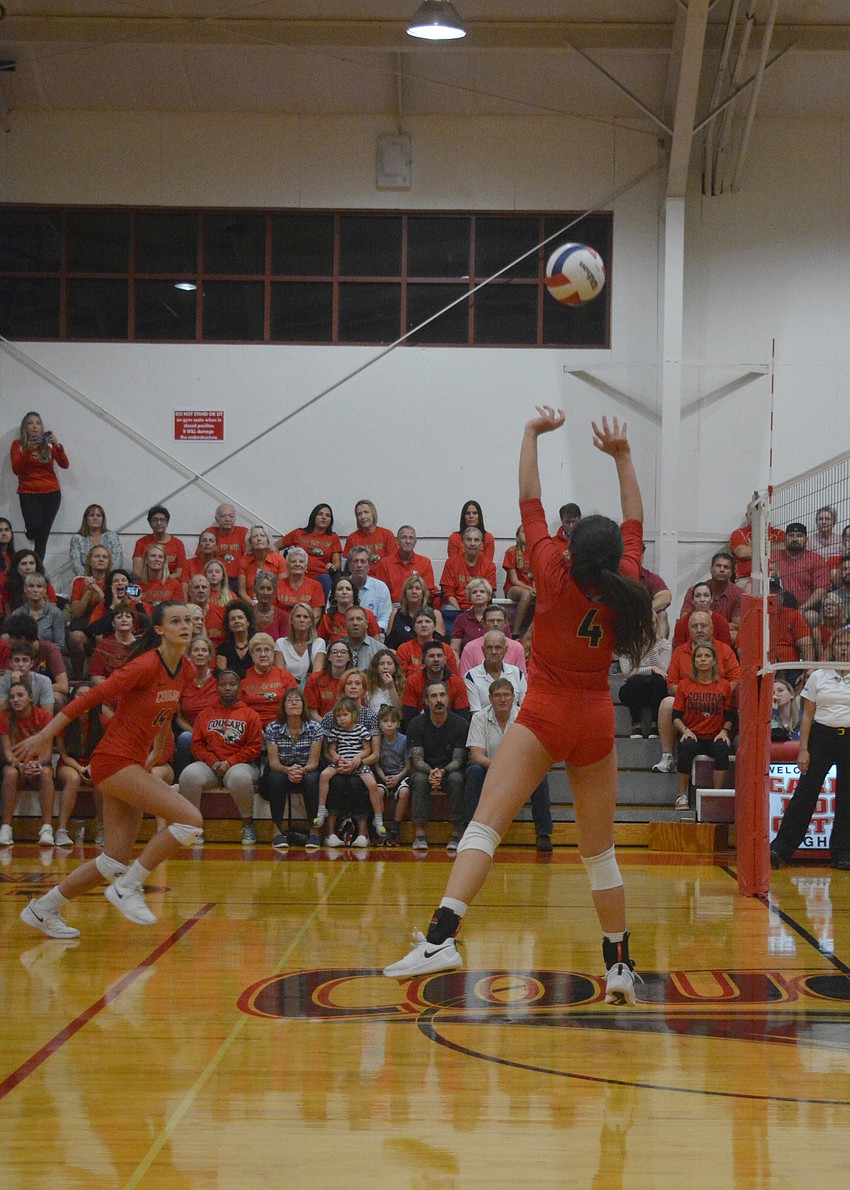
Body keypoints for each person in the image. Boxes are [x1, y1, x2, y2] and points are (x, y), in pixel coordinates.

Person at [384, 409, 654, 1011]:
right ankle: (618, 964)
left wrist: (531, 434)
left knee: (484, 827)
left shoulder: (552, 572)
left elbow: (529, 497)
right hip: (596, 720)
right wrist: (623, 456)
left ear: (570, 549)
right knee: (600, 854)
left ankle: (440, 940)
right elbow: (635, 518)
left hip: (547, 712)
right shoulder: (627, 578)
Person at [14, 602, 204, 938]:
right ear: (159, 629)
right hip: (114, 761)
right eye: (176, 621)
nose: (185, 626)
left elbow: (165, 711)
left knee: (114, 859)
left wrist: (156, 750)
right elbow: (88, 698)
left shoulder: (186, 669)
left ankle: (42, 909)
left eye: (188, 620)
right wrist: (44, 735)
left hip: (131, 762)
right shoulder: (145, 665)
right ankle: (128, 887)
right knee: (191, 820)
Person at [770, 628, 850, 871]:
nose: (844, 649)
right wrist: (803, 749)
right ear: (833, 647)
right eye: (841, 644)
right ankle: (781, 848)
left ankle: (842, 853)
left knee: (847, 798)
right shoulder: (818, 676)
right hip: (822, 737)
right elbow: (807, 716)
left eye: (849, 644)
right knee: (805, 794)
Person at [464, 676, 553, 853]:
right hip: (489, 769)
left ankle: (543, 834)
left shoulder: (525, 717)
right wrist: (499, 767)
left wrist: (511, 768)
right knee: (473, 771)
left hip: (519, 770)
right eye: (498, 695)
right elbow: (477, 756)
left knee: (540, 776)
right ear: (490, 699)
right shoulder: (480, 718)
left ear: (513, 697)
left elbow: (533, 754)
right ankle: (469, 831)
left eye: (506, 695)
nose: (503, 699)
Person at [179, 668, 263, 846]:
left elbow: (254, 748)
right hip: (211, 765)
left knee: (240, 778)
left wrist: (229, 762)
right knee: (188, 775)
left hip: (241, 764)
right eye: (223, 684)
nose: (228, 688)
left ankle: (248, 824)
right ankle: (194, 826)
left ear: (239, 687)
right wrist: (213, 762)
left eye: (232, 684)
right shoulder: (205, 714)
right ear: (217, 688)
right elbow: (196, 745)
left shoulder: (251, 715)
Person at [652, 611, 740, 774]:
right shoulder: (679, 652)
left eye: (704, 626)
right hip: (688, 703)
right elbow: (671, 685)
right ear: (689, 630)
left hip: (719, 703)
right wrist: (695, 694)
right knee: (666, 703)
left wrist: (713, 694)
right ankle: (667, 757)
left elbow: (735, 680)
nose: (699, 630)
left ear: (712, 629)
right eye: (694, 626)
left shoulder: (726, 650)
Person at [404, 679, 469, 853]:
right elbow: (417, 760)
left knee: (457, 779)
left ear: (448, 698)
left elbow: (459, 760)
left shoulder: (461, 724)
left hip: (450, 770)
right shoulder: (416, 724)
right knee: (419, 779)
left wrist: (443, 771)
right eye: (433, 696)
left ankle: (457, 833)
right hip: (425, 770)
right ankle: (420, 834)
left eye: (442, 695)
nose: (439, 700)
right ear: (426, 700)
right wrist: (432, 772)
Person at [671, 642, 735, 811]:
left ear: (714, 661)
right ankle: (681, 795)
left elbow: (730, 716)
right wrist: (685, 730)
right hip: (693, 735)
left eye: (707, 656)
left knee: (723, 746)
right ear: (694, 661)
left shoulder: (724, 685)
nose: (703, 659)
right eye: (699, 656)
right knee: (686, 745)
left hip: (714, 736)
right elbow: (675, 717)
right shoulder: (684, 685)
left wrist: (724, 731)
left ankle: (716, 794)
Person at [260, 687, 323, 849]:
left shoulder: (315, 727)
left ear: (304, 705)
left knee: (312, 780)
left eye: (297, 700)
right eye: (289, 700)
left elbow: (314, 763)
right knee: (275, 779)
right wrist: (288, 770)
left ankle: (314, 830)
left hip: (306, 769)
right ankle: (277, 830)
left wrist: (302, 770)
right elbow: (273, 763)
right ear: (283, 706)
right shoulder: (273, 728)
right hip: (282, 769)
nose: (294, 703)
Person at [314, 696, 384, 843]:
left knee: (372, 784)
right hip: (341, 762)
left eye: (345, 715)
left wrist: (359, 758)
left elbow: (368, 749)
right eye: (338, 716)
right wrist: (336, 757)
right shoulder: (336, 731)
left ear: (353, 715)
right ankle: (321, 809)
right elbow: (331, 749)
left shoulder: (361, 729)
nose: (342, 719)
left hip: (357, 763)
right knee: (324, 775)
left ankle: (378, 818)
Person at [0, 679, 56, 846]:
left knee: (46, 772)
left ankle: (46, 829)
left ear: (31, 697)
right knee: (9, 773)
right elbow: (7, 752)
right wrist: (21, 765)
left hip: (38, 764)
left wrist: (35, 765)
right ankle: (6, 828)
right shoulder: (5, 718)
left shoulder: (44, 717)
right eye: (12, 697)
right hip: (17, 766)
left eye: (20, 695)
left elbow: (47, 754)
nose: (15, 700)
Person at [10, 411, 69, 559]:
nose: (35, 426)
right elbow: (17, 469)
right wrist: (28, 451)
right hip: (28, 492)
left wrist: (57, 445)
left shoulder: (47, 444)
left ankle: (37, 569)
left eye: (38, 423)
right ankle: (30, 532)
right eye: (30, 423)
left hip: (51, 492)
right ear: (25, 427)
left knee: (42, 537)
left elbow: (64, 464)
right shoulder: (18, 445)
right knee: (34, 526)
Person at [54, 680, 105, 846]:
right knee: (73, 778)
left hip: (94, 764)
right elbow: (64, 754)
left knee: (100, 778)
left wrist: (90, 767)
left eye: (88, 695)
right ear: (72, 698)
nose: (84, 698)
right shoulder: (64, 720)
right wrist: (80, 768)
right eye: (79, 695)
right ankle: (61, 830)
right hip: (68, 764)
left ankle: (101, 827)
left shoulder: (103, 722)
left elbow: (104, 752)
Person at [618, 613, 671, 738]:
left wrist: (651, 646)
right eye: (643, 624)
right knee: (636, 680)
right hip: (632, 689)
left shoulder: (665, 645)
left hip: (654, 689)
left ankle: (655, 724)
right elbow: (627, 672)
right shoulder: (627, 645)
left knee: (658, 680)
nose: (647, 627)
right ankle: (636, 725)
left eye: (651, 623)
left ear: (657, 624)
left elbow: (662, 670)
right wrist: (651, 669)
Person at [172, 634, 219, 775]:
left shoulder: (218, 679)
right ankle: (182, 779)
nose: (200, 653)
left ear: (210, 656)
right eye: (196, 650)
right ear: (189, 655)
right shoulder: (181, 681)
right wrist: (195, 733)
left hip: (216, 728)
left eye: (204, 650)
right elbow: (179, 717)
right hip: (191, 729)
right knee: (185, 738)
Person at [2, 612, 69, 708]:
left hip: (44, 694)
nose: (10, 642)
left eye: (12, 638)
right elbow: (7, 680)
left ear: (22, 639)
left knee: (57, 698)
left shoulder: (50, 649)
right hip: (18, 694)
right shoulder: (13, 651)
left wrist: (38, 689)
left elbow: (63, 686)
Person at [401, 639, 471, 728]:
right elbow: (409, 719)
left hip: (451, 730)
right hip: (421, 730)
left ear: (445, 659)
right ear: (423, 659)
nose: (436, 659)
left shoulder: (457, 683)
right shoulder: (412, 681)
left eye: (439, 656)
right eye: (431, 656)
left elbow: (463, 718)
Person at [67, 543, 112, 677]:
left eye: (104, 557)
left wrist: (97, 590)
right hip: (85, 627)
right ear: (89, 561)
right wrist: (87, 591)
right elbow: (76, 613)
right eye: (97, 556)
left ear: (109, 562)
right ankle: (78, 678)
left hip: (107, 626)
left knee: (100, 635)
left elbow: (111, 608)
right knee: (75, 637)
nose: (101, 559)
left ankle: (101, 675)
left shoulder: (113, 582)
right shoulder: (79, 582)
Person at [279, 503, 341, 598]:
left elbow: (337, 563)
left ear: (330, 520)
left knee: (326, 579)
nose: (324, 517)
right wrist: (283, 567)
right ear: (314, 516)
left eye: (328, 516)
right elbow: (275, 547)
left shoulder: (333, 537)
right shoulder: (298, 533)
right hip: (298, 573)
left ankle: (325, 607)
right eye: (320, 514)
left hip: (321, 576)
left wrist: (333, 566)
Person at [679, 552, 742, 645]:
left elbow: (737, 626)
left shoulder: (738, 593)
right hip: (697, 631)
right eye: (718, 566)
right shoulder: (694, 590)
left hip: (723, 632)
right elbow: (685, 620)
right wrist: (705, 627)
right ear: (711, 569)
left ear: (731, 572)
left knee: (738, 637)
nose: (722, 570)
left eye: (726, 567)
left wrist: (709, 626)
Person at [777, 523, 831, 626]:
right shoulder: (774, 556)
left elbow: (821, 590)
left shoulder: (816, 559)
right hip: (777, 607)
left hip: (806, 608)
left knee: (812, 617)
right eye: (791, 535)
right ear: (785, 539)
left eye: (799, 536)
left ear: (806, 539)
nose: (795, 539)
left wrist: (802, 608)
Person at [240, 633, 298, 728]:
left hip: (281, 726)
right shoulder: (243, 677)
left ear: (273, 653)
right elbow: (238, 708)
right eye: (258, 650)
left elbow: (295, 704)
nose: (263, 654)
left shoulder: (285, 676)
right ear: (251, 654)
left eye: (267, 650)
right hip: (251, 726)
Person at [463, 631, 527, 713]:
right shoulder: (471, 677)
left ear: (505, 650)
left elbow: (525, 706)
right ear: (483, 650)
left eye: (498, 648)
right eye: (489, 648)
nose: (493, 652)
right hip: (484, 721)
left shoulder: (517, 673)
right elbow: (476, 713)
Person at [375, 705, 411, 847]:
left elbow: (408, 766)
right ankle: (380, 828)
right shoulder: (377, 740)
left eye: (393, 721)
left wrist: (397, 777)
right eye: (385, 721)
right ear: (379, 723)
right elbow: (376, 765)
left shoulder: (404, 740)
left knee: (404, 792)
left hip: (400, 774)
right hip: (383, 774)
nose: (389, 724)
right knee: (377, 791)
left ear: (398, 724)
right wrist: (384, 777)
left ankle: (395, 828)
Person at [374, 526, 437, 604]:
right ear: (397, 541)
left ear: (415, 542)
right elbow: (380, 591)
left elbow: (427, 592)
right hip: (392, 606)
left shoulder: (425, 563)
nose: (407, 541)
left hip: (417, 606)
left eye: (411, 538)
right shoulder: (385, 563)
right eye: (404, 537)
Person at [440, 527, 497, 611]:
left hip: (479, 607)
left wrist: (471, 612)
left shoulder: (489, 566)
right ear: (463, 543)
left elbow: (488, 594)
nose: (472, 543)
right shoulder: (451, 563)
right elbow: (449, 594)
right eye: (469, 540)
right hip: (455, 608)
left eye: (476, 540)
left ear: (481, 544)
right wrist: (461, 614)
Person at [458, 605, 526, 674]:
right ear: (483, 623)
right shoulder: (470, 648)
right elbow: (465, 677)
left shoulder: (517, 647)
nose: (495, 624)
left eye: (499, 621)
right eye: (491, 621)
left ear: (505, 623)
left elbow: (521, 677)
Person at [385, 575, 445, 650]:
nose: (414, 591)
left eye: (418, 588)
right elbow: (389, 645)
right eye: (410, 588)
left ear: (423, 593)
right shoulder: (395, 613)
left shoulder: (435, 614)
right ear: (405, 593)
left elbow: (441, 645)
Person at [275, 601, 326, 688]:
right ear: (291, 620)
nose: (302, 620)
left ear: (311, 622)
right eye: (298, 616)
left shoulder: (319, 643)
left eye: (305, 617)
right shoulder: (281, 643)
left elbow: (316, 676)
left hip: (310, 689)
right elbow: (281, 675)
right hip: (287, 690)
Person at [317, 574, 380, 644]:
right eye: (340, 589)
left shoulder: (368, 615)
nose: (344, 592)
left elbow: (377, 644)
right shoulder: (327, 619)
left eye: (348, 589)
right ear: (334, 595)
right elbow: (319, 645)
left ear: (354, 595)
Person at [730, 508, 785, 585]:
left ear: (767, 515)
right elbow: (743, 553)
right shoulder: (739, 533)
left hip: (774, 577)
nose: (757, 516)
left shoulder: (778, 533)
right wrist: (771, 548)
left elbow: (785, 549)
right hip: (746, 578)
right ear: (747, 516)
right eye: (752, 513)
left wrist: (754, 547)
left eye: (760, 513)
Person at [396, 608, 458, 677]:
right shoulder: (404, 649)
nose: (424, 625)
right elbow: (400, 677)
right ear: (414, 628)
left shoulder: (446, 649)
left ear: (434, 626)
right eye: (419, 622)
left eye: (428, 621)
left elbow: (453, 676)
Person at [132, 505, 187, 582]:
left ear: (167, 523)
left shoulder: (178, 544)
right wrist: (152, 582)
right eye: (155, 520)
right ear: (150, 523)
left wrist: (162, 582)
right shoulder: (141, 542)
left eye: (162, 520)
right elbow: (137, 571)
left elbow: (179, 572)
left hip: (170, 582)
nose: (159, 523)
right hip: (147, 581)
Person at [345, 545, 393, 633]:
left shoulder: (380, 588)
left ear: (369, 566)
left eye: (363, 561)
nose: (359, 565)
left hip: (373, 633)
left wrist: (371, 630)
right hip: (346, 633)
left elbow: (385, 617)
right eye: (355, 561)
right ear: (349, 566)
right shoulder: (340, 587)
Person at [671, 581, 731, 648]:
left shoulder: (721, 622)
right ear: (692, 601)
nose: (702, 599)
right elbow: (679, 651)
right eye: (698, 596)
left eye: (706, 595)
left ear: (711, 599)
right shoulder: (681, 624)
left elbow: (725, 650)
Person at [202, 503, 249, 588]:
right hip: (215, 578)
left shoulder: (243, 532)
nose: (227, 519)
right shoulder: (210, 532)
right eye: (223, 516)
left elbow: (249, 557)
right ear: (216, 519)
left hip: (237, 579)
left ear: (235, 518)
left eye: (231, 516)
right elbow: (201, 556)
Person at [70, 504, 124, 576]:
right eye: (91, 515)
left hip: (109, 578)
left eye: (98, 515)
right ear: (86, 519)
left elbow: (118, 562)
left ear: (103, 519)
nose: (95, 518)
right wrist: (89, 579)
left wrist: (107, 578)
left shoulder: (112, 537)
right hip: (86, 579)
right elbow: (76, 565)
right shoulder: (77, 539)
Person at [304, 641, 353, 721]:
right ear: (329, 657)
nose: (339, 655)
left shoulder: (355, 681)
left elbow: (359, 709)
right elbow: (312, 713)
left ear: (349, 657)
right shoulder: (314, 679)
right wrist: (326, 725)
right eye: (335, 652)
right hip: (321, 724)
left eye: (343, 652)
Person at [272, 546, 326, 618]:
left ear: (306, 566)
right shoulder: (277, 585)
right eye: (293, 561)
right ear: (287, 566)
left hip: (306, 624)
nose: (297, 564)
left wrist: (305, 623)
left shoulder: (316, 586)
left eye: (301, 562)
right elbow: (272, 610)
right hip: (282, 624)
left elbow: (316, 613)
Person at [0, 644, 55, 713]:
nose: (20, 664)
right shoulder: (2, 681)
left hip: (36, 718)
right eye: (16, 660)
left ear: (31, 663)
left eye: (25, 660)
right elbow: (1, 712)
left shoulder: (44, 681)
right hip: (11, 719)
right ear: (10, 663)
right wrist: (15, 685)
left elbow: (48, 713)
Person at [237, 525, 287, 601]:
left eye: (262, 536)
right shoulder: (243, 560)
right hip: (250, 603)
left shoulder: (279, 559)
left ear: (268, 540)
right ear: (250, 542)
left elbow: (282, 589)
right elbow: (242, 592)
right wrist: (253, 605)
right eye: (255, 536)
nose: (259, 539)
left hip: (273, 604)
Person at [502, 525, 535, 638]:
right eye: (523, 532)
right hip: (513, 588)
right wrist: (530, 588)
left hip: (531, 588)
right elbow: (514, 580)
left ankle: (535, 631)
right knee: (526, 594)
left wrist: (535, 589)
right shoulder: (512, 552)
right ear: (518, 535)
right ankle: (515, 632)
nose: (526, 534)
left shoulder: (535, 553)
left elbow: (537, 577)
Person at [345, 500, 398, 566]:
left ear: (373, 514)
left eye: (366, 512)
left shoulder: (387, 535)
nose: (363, 516)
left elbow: (393, 561)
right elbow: (350, 565)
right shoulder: (352, 538)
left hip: (383, 572)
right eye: (359, 514)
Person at [450, 578, 495, 656]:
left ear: (489, 596)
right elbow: (454, 649)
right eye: (474, 592)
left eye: (482, 591)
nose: (478, 594)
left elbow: (509, 644)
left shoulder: (498, 617)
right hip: (468, 660)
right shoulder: (461, 619)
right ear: (469, 597)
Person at [21, 573, 66, 648]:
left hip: (49, 654)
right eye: (31, 586)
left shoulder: (55, 613)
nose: (35, 590)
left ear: (45, 590)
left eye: (39, 586)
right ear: (25, 589)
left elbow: (60, 645)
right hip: (24, 654)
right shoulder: (18, 614)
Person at [215, 599, 256, 677]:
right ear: (229, 626)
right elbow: (223, 676)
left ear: (248, 622)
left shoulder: (257, 646)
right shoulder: (223, 649)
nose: (237, 621)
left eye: (240, 617)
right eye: (233, 619)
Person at [186, 574, 226, 646]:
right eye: (196, 587)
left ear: (209, 591)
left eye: (204, 587)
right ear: (189, 591)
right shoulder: (183, 614)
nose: (201, 590)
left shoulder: (222, 613)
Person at [342, 605, 384, 670]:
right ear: (345, 625)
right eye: (351, 619)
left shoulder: (379, 649)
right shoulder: (336, 648)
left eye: (359, 619)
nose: (355, 623)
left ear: (366, 624)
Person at [366, 648, 405, 716]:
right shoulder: (368, 686)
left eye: (389, 663)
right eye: (381, 663)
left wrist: (391, 688)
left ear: (395, 668)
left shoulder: (403, 685)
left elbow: (400, 712)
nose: (385, 667)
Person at [251, 573, 289, 640]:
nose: (265, 592)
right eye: (261, 588)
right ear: (255, 591)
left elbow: (284, 643)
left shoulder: (282, 616)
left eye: (269, 589)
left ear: (274, 592)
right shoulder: (248, 613)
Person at [813, 592, 846, 660]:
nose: (829, 608)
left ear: (840, 608)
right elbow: (822, 659)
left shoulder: (846, 628)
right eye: (826, 605)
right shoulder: (817, 631)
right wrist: (832, 640)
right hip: (828, 663)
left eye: (833, 605)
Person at [0, 517, 17, 613]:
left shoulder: (16, 557)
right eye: (0, 530)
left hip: (12, 603)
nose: (4, 533)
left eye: (7, 530)